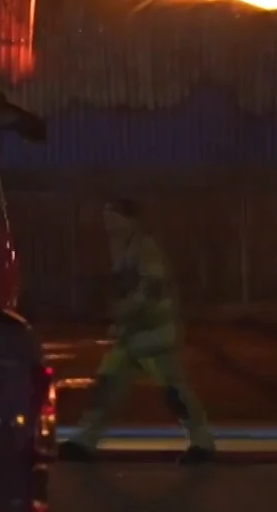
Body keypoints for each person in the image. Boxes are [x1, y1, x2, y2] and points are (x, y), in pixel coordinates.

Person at [59, 199, 216, 464]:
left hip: (155, 334)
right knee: (108, 386)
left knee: (174, 391)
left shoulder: (145, 247)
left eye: (113, 216)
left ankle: (202, 442)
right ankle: (85, 441)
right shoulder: (122, 247)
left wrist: (126, 312)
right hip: (133, 334)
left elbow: (151, 289)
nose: (107, 222)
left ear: (130, 220)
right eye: (105, 215)